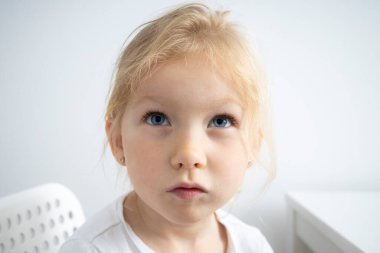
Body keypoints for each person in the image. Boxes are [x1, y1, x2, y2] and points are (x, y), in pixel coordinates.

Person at [59, 3, 275, 253]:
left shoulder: (253, 245)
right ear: (118, 140)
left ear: (253, 146)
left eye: (220, 121)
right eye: (158, 118)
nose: (189, 155)